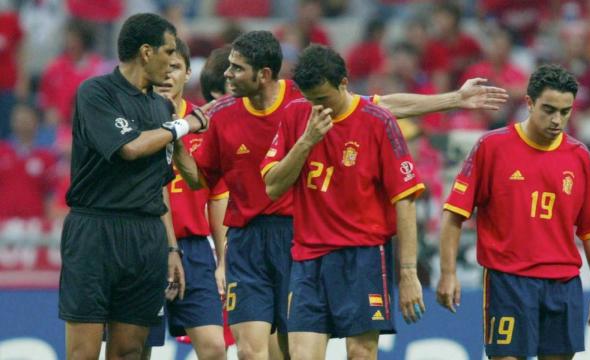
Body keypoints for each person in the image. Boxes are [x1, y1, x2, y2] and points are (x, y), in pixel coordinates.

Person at [172, 30, 509, 360]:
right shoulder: (231, 114)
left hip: (301, 235)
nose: (229, 75)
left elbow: (383, 107)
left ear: (263, 75)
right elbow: (201, 180)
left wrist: (454, 99)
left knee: (295, 350)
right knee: (250, 350)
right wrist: (175, 143)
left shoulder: (307, 99)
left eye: (237, 67)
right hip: (253, 240)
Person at [436, 64, 590, 360]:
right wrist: (448, 273)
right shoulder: (491, 146)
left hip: (563, 285)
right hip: (508, 282)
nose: (557, 120)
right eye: (548, 109)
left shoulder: (579, 156)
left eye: (565, 112)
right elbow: (454, 213)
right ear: (529, 103)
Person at [58, 13, 210, 359]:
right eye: (169, 50)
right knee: (83, 352)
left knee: (129, 351)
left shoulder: (160, 107)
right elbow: (129, 148)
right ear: (145, 52)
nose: (174, 60)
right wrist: (182, 126)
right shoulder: (96, 92)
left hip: (145, 237)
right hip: (95, 230)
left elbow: (171, 181)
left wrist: (171, 249)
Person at [261, 44, 425, 359]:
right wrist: (307, 141)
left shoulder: (378, 121)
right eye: (311, 100)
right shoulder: (297, 115)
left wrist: (407, 274)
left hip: (362, 257)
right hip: (308, 258)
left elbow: (405, 201)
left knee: (360, 353)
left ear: (344, 84)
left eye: (323, 99)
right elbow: (273, 187)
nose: (318, 109)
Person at [153, 37, 230, 360]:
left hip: (196, 249)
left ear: (187, 75)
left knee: (214, 347)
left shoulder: (204, 124)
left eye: (176, 68)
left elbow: (218, 198)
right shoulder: (136, 124)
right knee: (134, 347)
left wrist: (223, 261)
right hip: (147, 246)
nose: (168, 75)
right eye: (163, 67)